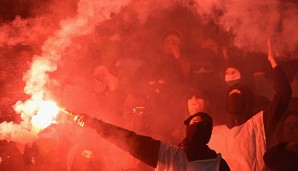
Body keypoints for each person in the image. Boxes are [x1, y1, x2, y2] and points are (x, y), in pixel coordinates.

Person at [208, 39, 292, 170]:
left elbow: (284, 93)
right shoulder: (213, 133)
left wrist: (272, 60)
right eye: (232, 95)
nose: (235, 98)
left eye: (239, 95)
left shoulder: (258, 125)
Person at [72, 111, 230, 171]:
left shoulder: (218, 165)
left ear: (208, 133)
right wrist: (95, 124)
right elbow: (130, 140)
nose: (196, 126)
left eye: (201, 125)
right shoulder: (169, 155)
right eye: (193, 123)